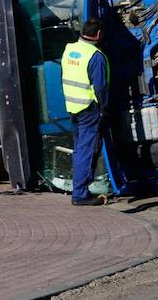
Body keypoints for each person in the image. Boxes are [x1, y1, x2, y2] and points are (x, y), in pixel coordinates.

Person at [61, 17, 110, 206]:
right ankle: (80, 194)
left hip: (73, 107)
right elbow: (100, 88)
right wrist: (104, 109)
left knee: (81, 148)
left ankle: (82, 188)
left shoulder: (69, 49)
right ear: (98, 35)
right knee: (86, 150)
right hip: (90, 109)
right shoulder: (95, 56)